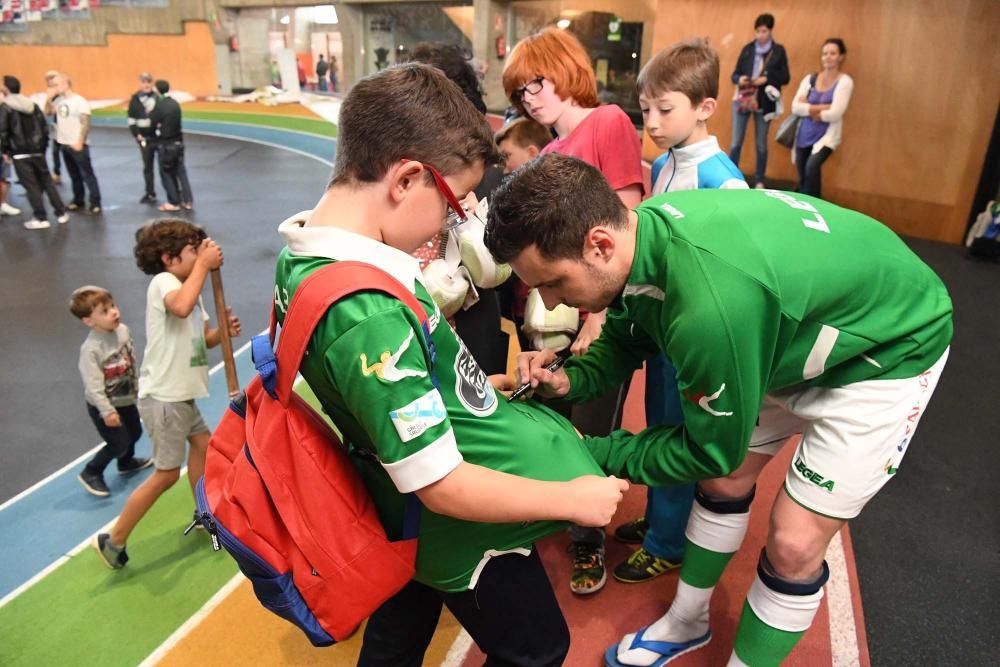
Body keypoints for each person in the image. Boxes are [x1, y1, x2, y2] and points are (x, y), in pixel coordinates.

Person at [485, 154, 953, 667]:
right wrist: (569, 378)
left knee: (795, 543)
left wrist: (586, 452)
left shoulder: (708, 310)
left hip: (887, 350)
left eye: (553, 283)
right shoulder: (645, 231)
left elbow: (710, 452)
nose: (551, 305)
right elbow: (630, 329)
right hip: (793, 328)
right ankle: (688, 622)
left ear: (599, 244)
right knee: (725, 487)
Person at [272, 63, 627, 667]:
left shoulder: (313, 256)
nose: (453, 220)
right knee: (539, 649)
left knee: (400, 628)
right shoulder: (367, 315)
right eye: (454, 202)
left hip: (407, 505)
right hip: (460, 531)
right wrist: (572, 500)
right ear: (407, 179)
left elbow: (393, 394)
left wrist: (487, 383)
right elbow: (440, 484)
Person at [502, 24, 645, 596]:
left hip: (596, 311)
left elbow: (625, 219)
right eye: (518, 92)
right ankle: (568, 520)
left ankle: (589, 542)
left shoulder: (607, 122)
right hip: (550, 317)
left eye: (535, 82)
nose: (529, 97)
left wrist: (599, 316)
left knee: (591, 425)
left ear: (565, 69)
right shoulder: (552, 151)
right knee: (557, 422)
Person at [611, 38, 749, 587]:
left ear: (705, 108)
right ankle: (662, 520)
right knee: (661, 424)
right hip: (663, 327)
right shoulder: (667, 162)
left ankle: (668, 542)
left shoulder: (722, 180)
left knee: (678, 432)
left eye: (664, 110)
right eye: (645, 110)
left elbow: (734, 266)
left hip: (691, 334)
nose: (652, 121)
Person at [93, 220, 241, 569]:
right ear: (169, 258)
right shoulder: (165, 283)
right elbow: (180, 307)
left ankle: (205, 512)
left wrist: (222, 333)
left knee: (204, 446)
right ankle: (113, 540)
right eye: (192, 251)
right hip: (164, 397)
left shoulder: (190, 287)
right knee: (166, 474)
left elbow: (200, 336)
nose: (198, 255)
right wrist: (205, 266)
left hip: (181, 395)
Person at [70, 286, 152, 497]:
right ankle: (91, 471)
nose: (114, 312)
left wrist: (136, 387)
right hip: (103, 405)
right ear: (89, 321)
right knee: (119, 441)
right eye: (105, 311)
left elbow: (129, 362)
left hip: (124, 398)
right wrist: (107, 411)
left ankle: (126, 463)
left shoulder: (122, 331)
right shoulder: (91, 350)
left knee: (135, 432)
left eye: (113, 306)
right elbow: (93, 386)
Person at [728, 13, 790, 189]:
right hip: (742, 99)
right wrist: (741, 79)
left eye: (764, 31)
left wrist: (767, 78)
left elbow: (785, 77)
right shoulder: (748, 49)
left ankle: (759, 180)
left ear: (770, 31)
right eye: (757, 31)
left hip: (763, 102)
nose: (760, 35)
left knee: (761, 143)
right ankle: (730, 177)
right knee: (735, 142)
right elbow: (734, 75)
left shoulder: (778, 51)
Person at [0, 75, 68, 230]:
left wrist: (6, 151)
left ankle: (40, 217)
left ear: (7, 90)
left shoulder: (6, 108)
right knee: (46, 181)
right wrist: (42, 147)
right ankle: (61, 212)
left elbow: (3, 131)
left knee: (31, 186)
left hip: (20, 152)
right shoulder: (32, 105)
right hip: (37, 151)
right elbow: (44, 127)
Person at [791, 38, 854, 198]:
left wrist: (809, 108)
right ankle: (802, 208)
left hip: (826, 137)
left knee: (812, 167)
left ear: (841, 57)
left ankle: (816, 207)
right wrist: (822, 107)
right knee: (803, 176)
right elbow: (795, 107)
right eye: (825, 53)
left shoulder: (845, 82)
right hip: (804, 135)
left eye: (833, 53)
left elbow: (835, 113)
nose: (828, 57)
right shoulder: (810, 79)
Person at [45, 71, 102, 214]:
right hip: (64, 143)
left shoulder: (79, 101)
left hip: (77, 144)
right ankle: (78, 200)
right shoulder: (58, 101)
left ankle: (95, 202)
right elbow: (47, 112)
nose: (54, 88)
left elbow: (85, 122)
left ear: (65, 84)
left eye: (56, 85)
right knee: (73, 175)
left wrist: (80, 141)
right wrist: (49, 98)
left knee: (87, 174)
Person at [149, 80, 193, 212]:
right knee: (181, 172)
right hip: (178, 142)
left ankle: (174, 201)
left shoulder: (160, 105)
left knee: (166, 172)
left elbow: (152, 121)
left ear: (157, 90)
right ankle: (188, 200)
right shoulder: (175, 103)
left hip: (166, 144)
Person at [127, 72, 159, 204]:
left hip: (158, 137)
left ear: (152, 83)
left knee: (166, 166)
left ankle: (174, 192)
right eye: (144, 82)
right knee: (147, 167)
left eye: (148, 82)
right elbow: (131, 120)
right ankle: (150, 192)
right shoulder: (135, 99)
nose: (146, 84)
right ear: (140, 83)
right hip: (144, 138)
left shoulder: (158, 98)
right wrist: (136, 134)